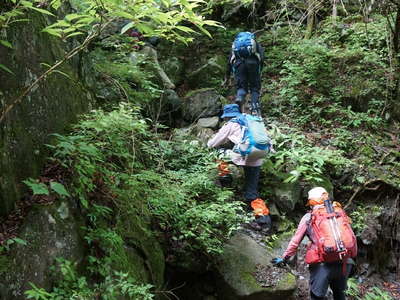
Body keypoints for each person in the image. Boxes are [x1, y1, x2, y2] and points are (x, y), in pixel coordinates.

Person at [271, 187, 355, 300]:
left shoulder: (309, 217)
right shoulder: (339, 213)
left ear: (311, 202)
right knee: (340, 295)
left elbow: (295, 242)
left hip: (323, 264)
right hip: (345, 263)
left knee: (317, 296)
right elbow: (352, 238)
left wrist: (284, 258)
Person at [207, 104, 271, 230]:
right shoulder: (253, 121)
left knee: (217, 152)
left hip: (242, 157)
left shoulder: (232, 123)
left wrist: (207, 143)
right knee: (252, 192)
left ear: (227, 116)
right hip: (258, 158)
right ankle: (264, 221)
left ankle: (225, 178)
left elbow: (213, 143)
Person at [222, 32, 264, 116]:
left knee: (241, 88)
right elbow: (261, 56)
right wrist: (260, 69)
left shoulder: (235, 45)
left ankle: (239, 98)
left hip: (239, 65)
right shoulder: (254, 42)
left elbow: (229, 62)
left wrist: (227, 76)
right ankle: (255, 109)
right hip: (253, 64)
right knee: (254, 88)